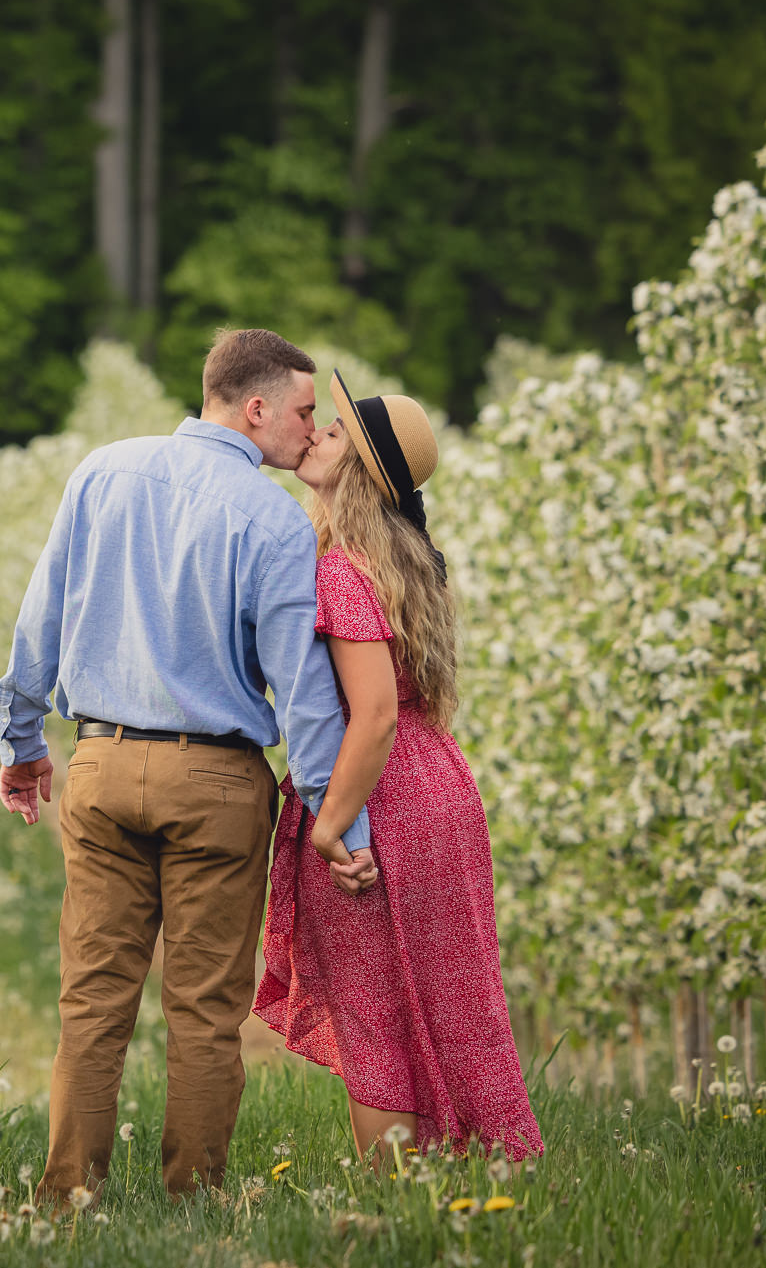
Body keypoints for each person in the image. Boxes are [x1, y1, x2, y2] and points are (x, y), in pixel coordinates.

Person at [0, 329, 378, 1203]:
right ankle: (189, 1204)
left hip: (98, 762)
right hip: (216, 782)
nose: (310, 431)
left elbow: (38, 619)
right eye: (304, 412)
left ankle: (66, 1201)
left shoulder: (101, 472)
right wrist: (336, 823)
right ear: (256, 408)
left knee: (91, 1004)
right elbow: (304, 692)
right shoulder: (273, 520)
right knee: (204, 1013)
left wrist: (20, 742)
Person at [252, 370, 543, 1162]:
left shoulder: (344, 569)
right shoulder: (408, 558)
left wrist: (331, 825)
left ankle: (399, 1203)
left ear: (362, 469)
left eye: (335, 432)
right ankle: (480, 1171)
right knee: (454, 1000)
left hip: (382, 794)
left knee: (376, 1011)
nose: (315, 433)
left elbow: (373, 712)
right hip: (439, 785)